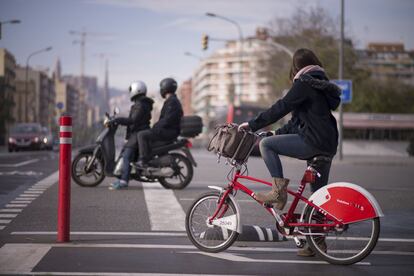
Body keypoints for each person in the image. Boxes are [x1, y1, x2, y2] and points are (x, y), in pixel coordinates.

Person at [239, 48, 341, 256]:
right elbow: (297, 122)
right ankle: (316, 245)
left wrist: (252, 125)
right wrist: (276, 132)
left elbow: (281, 107)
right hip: (327, 143)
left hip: (314, 142)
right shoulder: (319, 84)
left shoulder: (304, 83)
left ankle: (278, 192)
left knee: (266, 146)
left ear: (296, 67)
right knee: (317, 197)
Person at [109, 80, 154, 190]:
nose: (130, 93)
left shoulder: (141, 104)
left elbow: (133, 120)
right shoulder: (141, 103)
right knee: (124, 154)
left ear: (136, 90)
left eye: (131, 91)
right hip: (136, 133)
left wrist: (118, 120)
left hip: (138, 133)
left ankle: (124, 181)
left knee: (127, 156)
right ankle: (121, 178)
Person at [135, 77, 183, 168]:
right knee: (147, 135)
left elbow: (167, 120)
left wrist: (155, 127)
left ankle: (142, 160)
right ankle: (152, 159)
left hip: (168, 131)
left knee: (141, 135)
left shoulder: (172, 102)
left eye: (161, 88)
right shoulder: (172, 101)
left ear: (165, 88)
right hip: (169, 130)